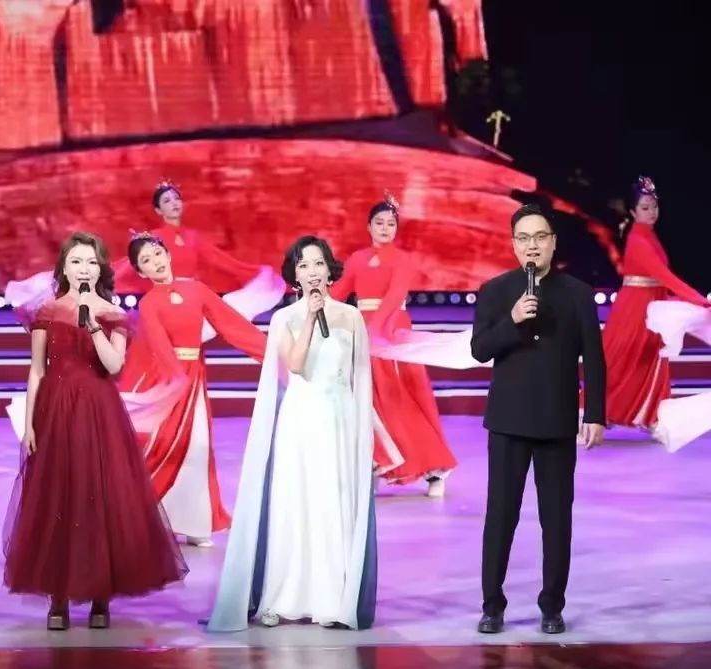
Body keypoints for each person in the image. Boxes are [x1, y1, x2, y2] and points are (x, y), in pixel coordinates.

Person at [3, 231, 187, 630]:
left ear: (100, 269)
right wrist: (30, 422)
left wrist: (93, 326)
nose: (84, 269)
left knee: (99, 498)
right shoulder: (47, 311)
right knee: (58, 498)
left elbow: (114, 366)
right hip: (55, 409)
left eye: (91, 262)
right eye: (76, 262)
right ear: (64, 268)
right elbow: (37, 371)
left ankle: (101, 597)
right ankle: (58, 597)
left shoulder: (112, 313)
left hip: (99, 410)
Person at [207, 236, 377, 631]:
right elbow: (296, 365)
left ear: (329, 270)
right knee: (294, 505)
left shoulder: (351, 317)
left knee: (332, 504)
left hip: (338, 419)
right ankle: (283, 597)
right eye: (304, 266)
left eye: (318, 264)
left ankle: (332, 600)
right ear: (294, 276)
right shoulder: (284, 319)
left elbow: (361, 377)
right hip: (300, 419)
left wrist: (363, 431)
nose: (312, 272)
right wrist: (310, 321)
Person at [470, 204, 605, 635]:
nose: (532, 246)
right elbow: (479, 349)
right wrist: (512, 320)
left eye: (540, 237)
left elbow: (594, 357)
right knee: (501, 516)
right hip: (508, 422)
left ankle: (552, 606)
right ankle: (492, 606)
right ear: (514, 245)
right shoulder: (495, 291)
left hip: (557, 422)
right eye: (524, 238)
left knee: (556, 519)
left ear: (553, 243)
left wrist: (595, 413)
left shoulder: (577, 293)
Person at [118, 231, 267, 546]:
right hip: (169, 383)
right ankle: (153, 517)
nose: (155, 262)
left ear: (168, 254)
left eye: (157, 254)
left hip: (193, 379)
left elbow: (231, 324)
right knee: (166, 448)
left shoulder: (196, 290)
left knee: (198, 448)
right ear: (141, 272)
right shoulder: (150, 303)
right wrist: (177, 382)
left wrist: (270, 354)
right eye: (146, 261)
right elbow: (160, 347)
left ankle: (197, 523)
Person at [3, 179, 285, 342]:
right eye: (167, 201)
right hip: (161, 308)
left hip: (191, 302)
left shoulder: (194, 238)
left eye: (176, 199)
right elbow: (122, 270)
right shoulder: (153, 241)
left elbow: (226, 264)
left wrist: (261, 274)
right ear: (158, 210)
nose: (174, 204)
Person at [329, 193, 456, 496]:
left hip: (393, 331)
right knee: (369, 401)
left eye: (390, 224)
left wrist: (376, 331)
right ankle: (379, 463)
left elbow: (395, 295)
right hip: (363, 332)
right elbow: (339, 292)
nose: (385, 228)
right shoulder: (357, 259)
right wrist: (313, 304)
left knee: (403, 399)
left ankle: (434, 468)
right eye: (379, 223)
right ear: (369, 226)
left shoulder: (403, 259)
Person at [600, 176, 710, 430]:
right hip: (635, 309)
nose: (651, 212)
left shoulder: (650, 237)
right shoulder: (638, 241)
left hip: (652, 304)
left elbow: (661, 279)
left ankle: (649, 414)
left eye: (654, 206)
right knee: (621, 360)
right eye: (645, 207)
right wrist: (699, 300)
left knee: (651, 359)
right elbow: (665, 276)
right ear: (632, 212)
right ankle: (600, 411)